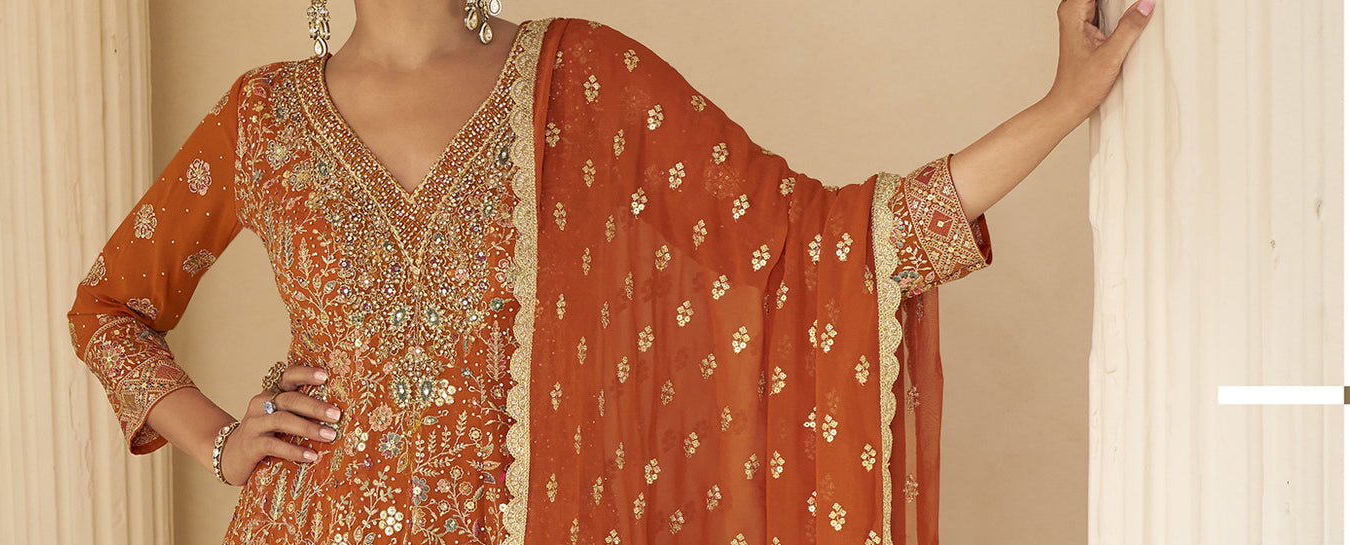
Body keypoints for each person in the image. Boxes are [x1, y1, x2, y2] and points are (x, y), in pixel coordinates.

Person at [69, 1, 1152, 543]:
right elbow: (107, 306)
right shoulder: (261, 118)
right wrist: (213, 435)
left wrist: (1057, 108)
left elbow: (815, 248)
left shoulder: (578, 76)